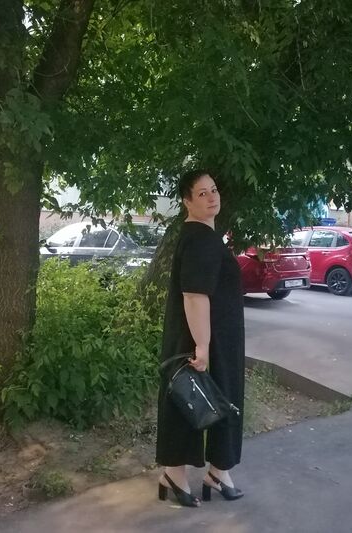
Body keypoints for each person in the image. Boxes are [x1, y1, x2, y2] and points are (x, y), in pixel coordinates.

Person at [156, 169, 245, 507]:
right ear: (187, 201)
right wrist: (203, 346)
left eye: (214, 190)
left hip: (214, 337)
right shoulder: (200, 238)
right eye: (202, 193)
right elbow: (194, 295)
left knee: (213, 401)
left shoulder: (203, 235)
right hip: (204, 338)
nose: (212, 197)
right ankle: (173, 474)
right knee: (190, 401)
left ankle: (217, 472)